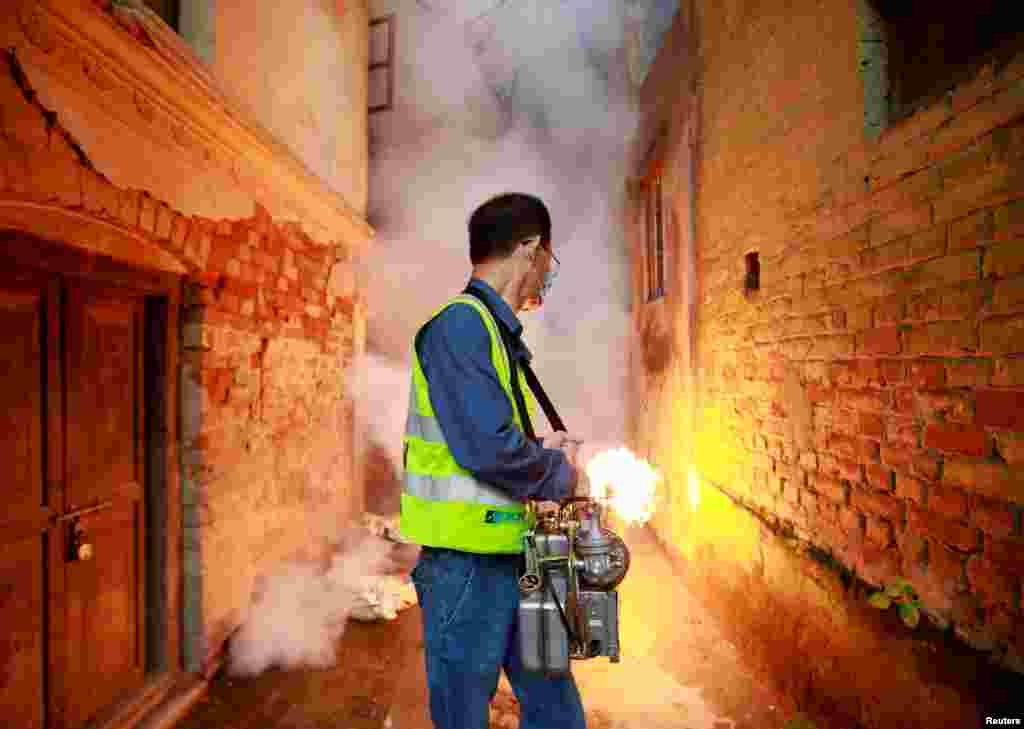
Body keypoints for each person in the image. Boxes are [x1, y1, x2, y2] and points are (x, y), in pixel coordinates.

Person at [400, 193, 589, 729]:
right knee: (464, 716)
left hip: (512, 556)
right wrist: (564, 473)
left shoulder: (490, 329)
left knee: (557, 710)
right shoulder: (461, 326)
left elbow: (496, 436)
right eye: (548, 260)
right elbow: (486, 447)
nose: (546, 276)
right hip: (467, 566)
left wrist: (544, 453)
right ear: (529, 250)